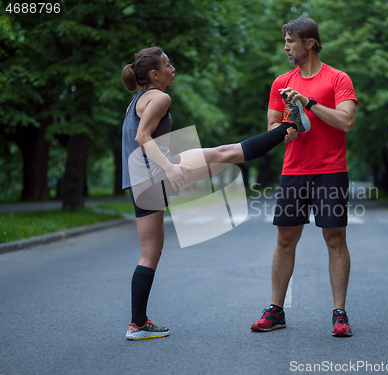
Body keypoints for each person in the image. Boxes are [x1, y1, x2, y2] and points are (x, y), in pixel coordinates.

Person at [121, 46, 310, 340]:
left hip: (138, 183)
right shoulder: (160, 97)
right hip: (158, 172)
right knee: (225, 153)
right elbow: (141, 137)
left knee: (149, 254)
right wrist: (170, 169)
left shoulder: (138, 99)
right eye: (168, 65)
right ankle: (290, 126)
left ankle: (137, 324)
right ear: (154, 74)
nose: (174, 69)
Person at [250, 17, 358, 337]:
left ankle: (339, 314)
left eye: (290, 41)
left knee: (335, 240)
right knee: (285, 240)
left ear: (309, 43)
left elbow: (347, 121)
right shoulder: (280, 82)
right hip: (294, 171)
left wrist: (309, 103)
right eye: (285, 41)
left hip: (331, 171)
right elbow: (272, 126)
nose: (285, 47)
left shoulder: (338, 79)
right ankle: (276, 311)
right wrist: (286, 131)